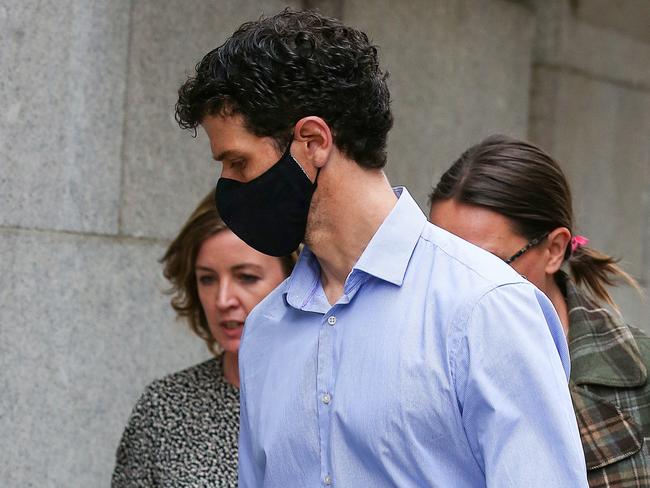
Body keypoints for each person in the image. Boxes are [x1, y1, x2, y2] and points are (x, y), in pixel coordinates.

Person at [175, 9, 587, 487]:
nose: (227, 185)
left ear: (312, 141)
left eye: (237, 162)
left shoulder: (485, 308)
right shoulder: (265, 329)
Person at [429, 134, 650, 487]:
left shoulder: (637, 376)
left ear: (554, 250)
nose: (457, 287)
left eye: (485, 266)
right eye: (440, 263)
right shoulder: (411, 359)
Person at [111, 191, 295, 487]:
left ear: (294, 279)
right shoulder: (164, 407)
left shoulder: (333, 399)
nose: (222, 300)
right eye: (207, 278)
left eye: (246, 276)